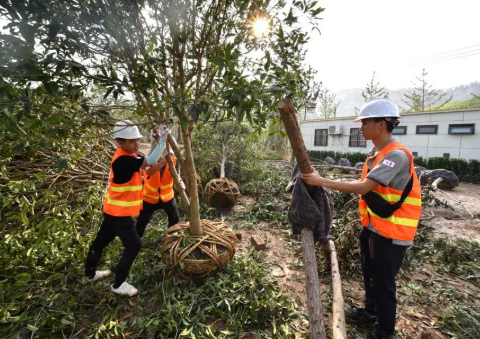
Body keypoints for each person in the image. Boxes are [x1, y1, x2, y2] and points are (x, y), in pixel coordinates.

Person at [301, 98, 422, 339]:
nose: (361, 127)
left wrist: (321, 181)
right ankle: (370, 313)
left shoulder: (396, 156)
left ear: (382, 124)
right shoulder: (376, 154)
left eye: (365, 122)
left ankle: (383, 332)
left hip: (393, 233)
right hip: (374, 226)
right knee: (369, 274)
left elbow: (364, 187)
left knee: (384, 285)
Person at [84, 120, 169, 296]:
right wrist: (163, 140)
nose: (136, 143)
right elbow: (150, 160)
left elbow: (147, 164)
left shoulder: (129, 157)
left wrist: (155, 142)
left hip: (113, 210)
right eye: (132, 141)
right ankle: (118, 284)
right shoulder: (122, 160)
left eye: (137, 140)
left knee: (100, 241)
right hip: (119, 214)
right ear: (120, 142)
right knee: (134, 244)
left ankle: (90, 274)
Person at [135, 131, 181, 238]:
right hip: (150, 198)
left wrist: (179, 182)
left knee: (175, 218)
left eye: (171, 152)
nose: (170, 154)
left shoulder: (174, 161)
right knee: (141, 222)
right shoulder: (150, 159)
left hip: (167, 197)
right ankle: (135, 243)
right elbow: (148, 172)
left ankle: (170, 239)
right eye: (167, 151)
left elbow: (177, 175)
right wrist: (163, 162)